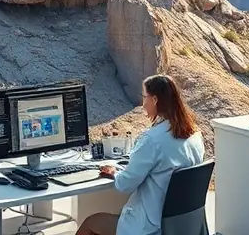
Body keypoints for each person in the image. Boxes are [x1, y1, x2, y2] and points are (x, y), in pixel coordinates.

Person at [76, 75, 204, 235]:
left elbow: (125, 184)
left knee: (91, 223)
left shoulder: (151, 140)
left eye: (144, 97)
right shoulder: (195, 135)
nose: (143, 104)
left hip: (149, 227)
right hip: (181, 225)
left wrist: (114, 172)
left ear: (155, 100)